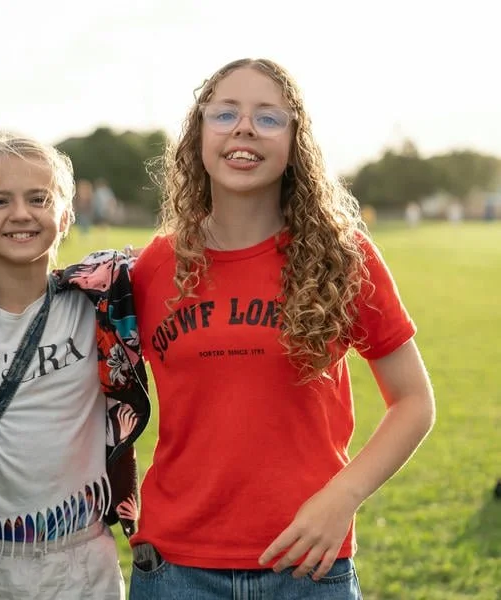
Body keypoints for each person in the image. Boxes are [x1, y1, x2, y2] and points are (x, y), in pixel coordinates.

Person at [128, 58, 435, 600]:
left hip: (309, 565)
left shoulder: (342, 258)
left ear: (296, 142)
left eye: (268, 118)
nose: (244, 128)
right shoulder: (154, 266)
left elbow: (413, 402)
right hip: (177, 569)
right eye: (225, 113)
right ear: (199, 132)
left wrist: (342, 498)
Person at [0, 133, 151, 600]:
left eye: (39, 198)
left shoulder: (103, 300)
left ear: (66, 214)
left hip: (84, 562)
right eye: (0, 200)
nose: (21, 213)